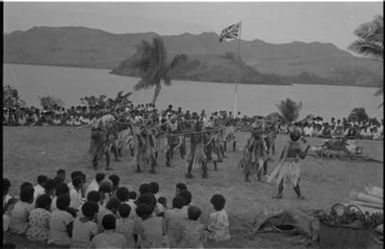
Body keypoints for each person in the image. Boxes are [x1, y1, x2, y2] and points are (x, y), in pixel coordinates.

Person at [268, 129, 310, 199]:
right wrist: (307, 149)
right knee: (294, 179)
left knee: (281, 179)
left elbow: (282, 154)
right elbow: (302, 156)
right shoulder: (296, 146)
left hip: (285, 163)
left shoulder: (287, 143)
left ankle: (280, 194)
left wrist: (280, 162)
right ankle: (299, 195)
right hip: (293, 165)